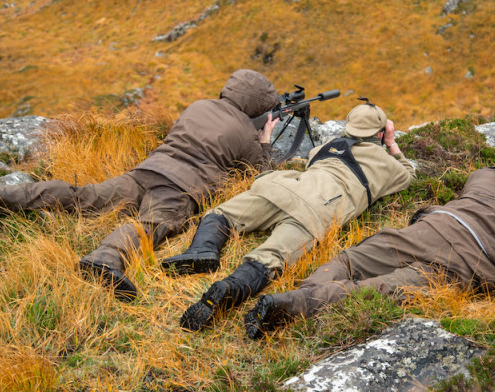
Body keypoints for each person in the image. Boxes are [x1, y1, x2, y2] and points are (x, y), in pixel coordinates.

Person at [0, 69, 281, 302]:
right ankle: (104, 260)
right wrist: (264, 141)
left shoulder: (199, 105)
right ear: (255, 108)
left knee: (85, 196)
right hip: (180, 188)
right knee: (149, 227)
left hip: (147, 170)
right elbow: (257, 177)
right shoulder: (246, 133)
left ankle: (0, 198)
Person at [243, 141, 495, 339]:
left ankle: (294, 299)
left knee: (352, 260)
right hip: (467, 262)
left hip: (432, 228)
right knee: (386, 288)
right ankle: (296, 306)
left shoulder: (483, 174)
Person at [168, 98, 415, 331]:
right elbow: (409, 174)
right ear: (381, 133)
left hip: (285, 187)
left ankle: (202, 250)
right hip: (319, 209)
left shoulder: (325, 147)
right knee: (270, 257)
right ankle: (228, 288)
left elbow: (314, 164)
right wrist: (391, 144)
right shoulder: (386, 164)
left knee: (223, 214)